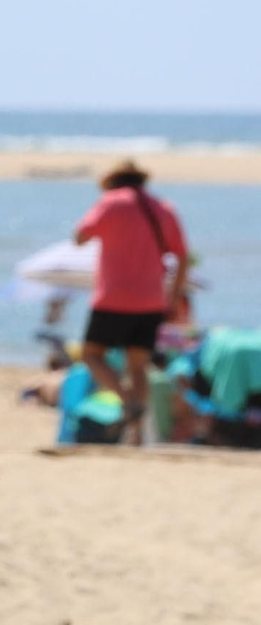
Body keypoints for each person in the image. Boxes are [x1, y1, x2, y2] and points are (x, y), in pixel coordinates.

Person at [74, 158, 188, 445]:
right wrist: (172, 297)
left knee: (91, 355)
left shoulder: (110, 202)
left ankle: (127, 400)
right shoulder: (163, 208)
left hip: (112, 297)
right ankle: (135, 434)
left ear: (113, 181)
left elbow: (80, 237)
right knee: (138, 366)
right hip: (151, 300)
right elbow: (182, 256)